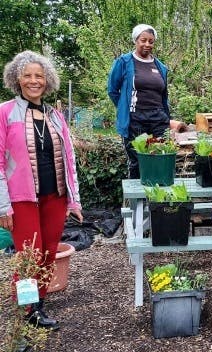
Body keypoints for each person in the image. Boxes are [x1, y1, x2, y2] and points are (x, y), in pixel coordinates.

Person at [0, 50, 83, 329]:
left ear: (47, 81)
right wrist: (2, 206)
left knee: (47, 253)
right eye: (27, 75)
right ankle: (25, 313)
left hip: (54, 196)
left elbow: (69, 160)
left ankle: (38, 307)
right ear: (17, 79)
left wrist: (75, 201)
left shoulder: (55, 115)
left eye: (39, 76)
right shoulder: (5, 112)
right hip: (22, 200)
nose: (34, 81)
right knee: (28, 258)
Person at [107, 23, 171, 179]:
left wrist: (165, 116)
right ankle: (138, 201)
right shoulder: (124, 62)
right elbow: (113, 90)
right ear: (136, 40)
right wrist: (125, 108)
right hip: (135, 120)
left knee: (160, 158)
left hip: (158, 120)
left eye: (151, 41)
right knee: (137, 161)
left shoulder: (160, 66)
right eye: (143, 40)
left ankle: (157, 200)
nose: (147, 44)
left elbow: (163, 94)